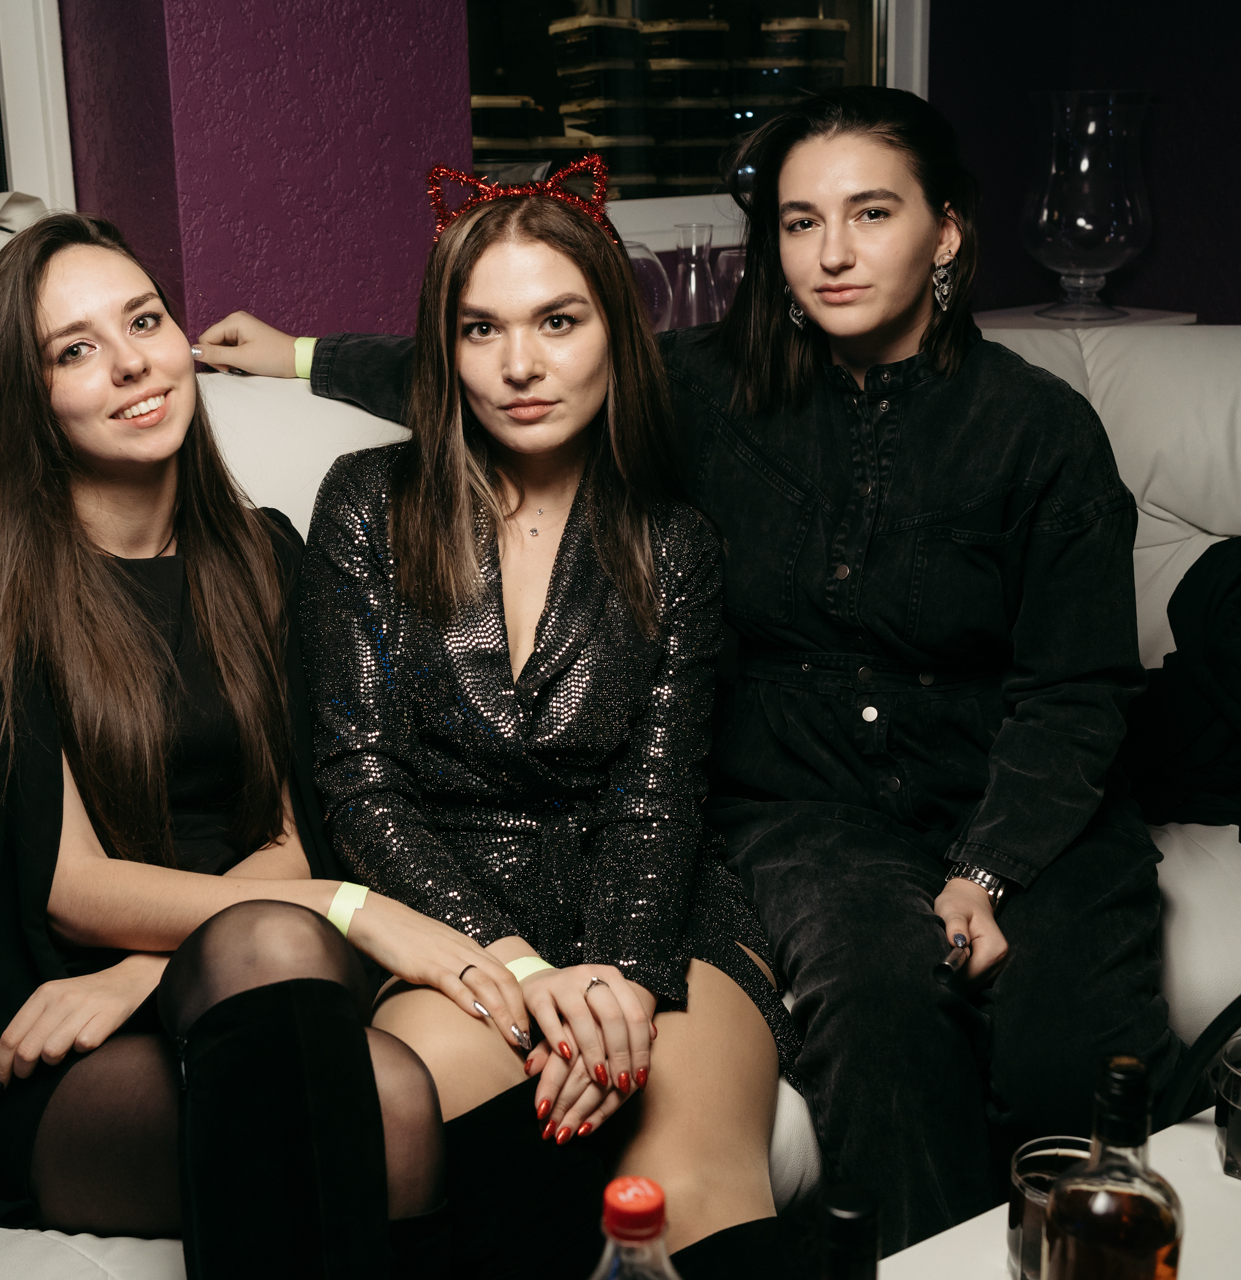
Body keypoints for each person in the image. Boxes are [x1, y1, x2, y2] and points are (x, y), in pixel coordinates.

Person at [198, 88, 1184, 1254]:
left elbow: (1071, 692)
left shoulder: (1033, 433)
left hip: (989, 801)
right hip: (799, 817)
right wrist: (299, 354)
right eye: (802, 221)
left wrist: (988, 868)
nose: (834, 251)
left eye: (872, 213)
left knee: (1071, 1052)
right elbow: (503, 359)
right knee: (881, 1014)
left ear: (947, 230)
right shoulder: (706, 387)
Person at [0, 212, 534, 1278]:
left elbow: (289, 839)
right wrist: (351, 907)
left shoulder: (261, 553)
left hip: (231, 966)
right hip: (49, 1017)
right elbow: (69, 887)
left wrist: (153, 970)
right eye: (75, 349)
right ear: (26, 396)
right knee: (374, 1099)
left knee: (326, 1004)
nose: (132, 362)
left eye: (143, 320)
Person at [204, 162, 801, 1279]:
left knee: (686, 1201)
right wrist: (523, 969)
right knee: (413, 1139)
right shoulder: (365, 502)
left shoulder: (676, 543)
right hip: (463, 924)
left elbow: (658, 800)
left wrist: (618, 977)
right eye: (482, 329)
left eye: (557, 321)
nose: (520, 364)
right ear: (446, 350)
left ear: (615, 334)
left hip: (656, 915)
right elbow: (359, 783)